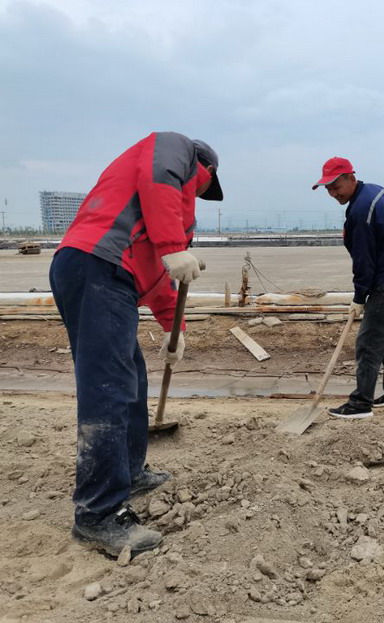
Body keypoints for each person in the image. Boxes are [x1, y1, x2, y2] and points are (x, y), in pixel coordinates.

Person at [49, 131, 224, 556]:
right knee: (108, 388)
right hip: (96, 263)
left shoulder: (170, 216)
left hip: (114, 275)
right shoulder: (175, 148)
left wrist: (173, 329)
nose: (198, 194)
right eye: (203, 186)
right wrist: (173, 245)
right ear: (205, 170)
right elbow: (159, 177)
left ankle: (129, 471)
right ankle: (97, 514)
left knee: (131, 381)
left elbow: (162, 276)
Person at [312, 156, 384, 419]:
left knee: (368, 342)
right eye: (328, 189)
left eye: (336, 187)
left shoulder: (360, 211)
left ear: (351, 178)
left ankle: (361, 403)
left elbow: (364, 261)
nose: (333, 194)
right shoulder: (375, 190)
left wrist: (359, 296)